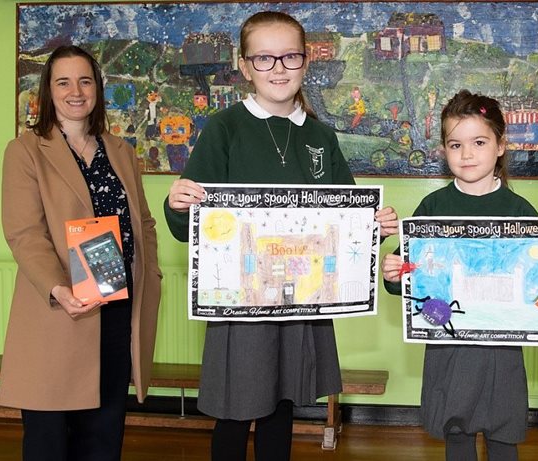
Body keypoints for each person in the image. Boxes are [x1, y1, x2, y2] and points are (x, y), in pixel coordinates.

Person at [164, 11, 398, 461]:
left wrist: (373, 227)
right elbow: (186, 228)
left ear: (306, 62)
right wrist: (177, 206)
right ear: (245, 65)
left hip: (302, 297)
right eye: (265, 58)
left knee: (282, 405)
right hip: (240, 302)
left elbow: (345, 218)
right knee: (235, 410)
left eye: (290, 57)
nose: (278, 68)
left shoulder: (320, 136)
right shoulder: (224, 129)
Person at [381, 90, 538, 461]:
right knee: (457, 429)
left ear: (501, 145)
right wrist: (393, 274)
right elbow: (408, 285)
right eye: (456, 144)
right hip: (448, 346)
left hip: (502, 351)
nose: (467, 154)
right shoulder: (432, 208)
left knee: (503, 430)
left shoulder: (519, 210)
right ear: (444, 150)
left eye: (478, 142)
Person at [0, 45, 162, 461]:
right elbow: (25, 233)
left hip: (117, 308)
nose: (76, 91)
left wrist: (151, 274)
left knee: (103, 434)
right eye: (63, 82)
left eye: (85, 80)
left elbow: (142, 223)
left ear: (97, 89)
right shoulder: (26, 151)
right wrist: (57, 287)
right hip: (61, 309)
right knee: (49, 438)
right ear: (48, 92)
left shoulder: (122, 151)